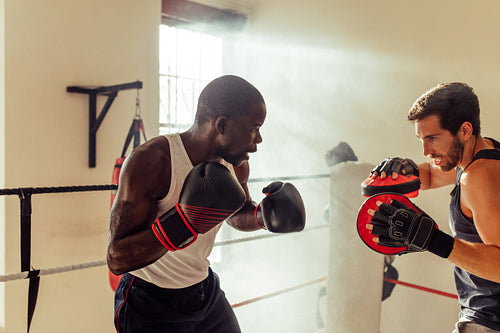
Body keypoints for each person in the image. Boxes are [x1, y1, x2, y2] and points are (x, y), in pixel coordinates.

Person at [107, 75, 306, 333]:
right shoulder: (152, 161)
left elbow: (235, 214)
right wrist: (183, 223)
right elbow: (117, 257)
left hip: (203, 291)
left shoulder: (237, 163)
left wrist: (262, 216)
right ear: (222, 124)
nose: (258, 140)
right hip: (148, 299)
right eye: (254, 128)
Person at [366, 82, 500, 332]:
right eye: (421, 139)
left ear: (465, 130)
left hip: (489, 323)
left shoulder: (478, 177)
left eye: (432, 138)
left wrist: (431, 240)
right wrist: (404, 169)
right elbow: (430, 174)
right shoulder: (483, 151)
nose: (426, 150)